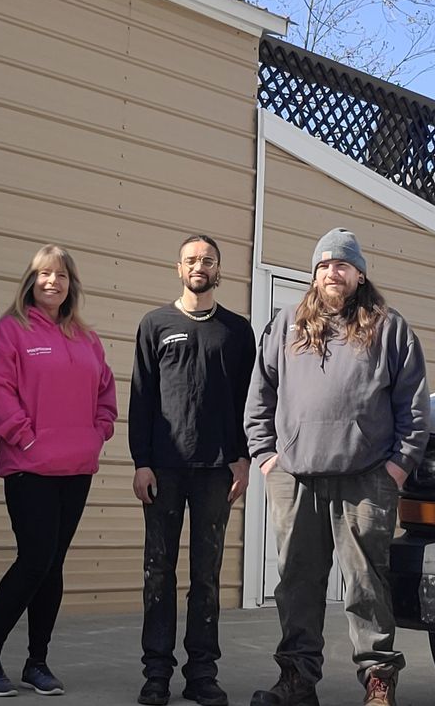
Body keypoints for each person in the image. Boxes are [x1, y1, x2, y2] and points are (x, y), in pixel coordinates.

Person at [244, 229, 430, 706]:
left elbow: (413, 405)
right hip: (297, 477)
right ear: (314, 274)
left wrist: (397, 468)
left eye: (342, 265)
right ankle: (297, 681)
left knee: (366, 583)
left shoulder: (390, 327)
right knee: (296, 583)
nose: (333, 272)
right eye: (324, 265)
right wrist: (267, 460)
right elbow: (260, 397)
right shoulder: (286, 324)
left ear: (360, 273)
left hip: (366, 478)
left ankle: (377, 679)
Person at [0, 244, 118, 697]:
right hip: (29, 466)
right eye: (44, 274)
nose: (53, 282)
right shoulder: (11, 330)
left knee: (53, 565)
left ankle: (37, 662)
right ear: (30, 281)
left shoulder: (86, 337)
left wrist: (98, 433)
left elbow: (105, 393)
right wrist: (25, 437)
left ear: (72, 284)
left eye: (62, 276)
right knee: (35, 559)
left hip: (76, 467)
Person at [129, 235, 257, 706]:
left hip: (217, 472)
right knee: (157, 571)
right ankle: (156, 673)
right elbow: (141, 399)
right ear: (178, 268)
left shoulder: (237, 331)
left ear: (218, 269)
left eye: (207, 260)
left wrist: (243, 457)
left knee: (206, 575)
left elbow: (251, 403)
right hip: (163, 470)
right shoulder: (155, 325)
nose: (199, 266)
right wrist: (141, 462)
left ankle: (202, 672)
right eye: (191, 260)